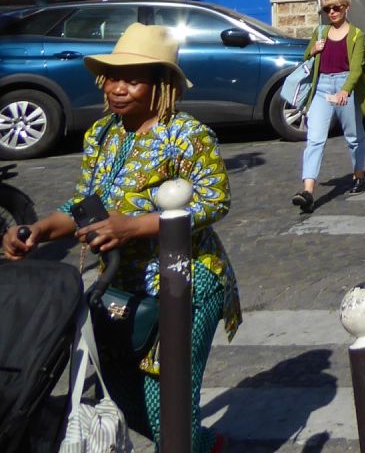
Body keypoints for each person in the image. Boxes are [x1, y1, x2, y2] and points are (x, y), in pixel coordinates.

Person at [2, 23, 241, 452]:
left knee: (167, 405)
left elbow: (214, 201)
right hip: (121, 284)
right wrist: (39, 231)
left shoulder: (187, 135)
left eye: (132, 80)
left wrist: (132, 226)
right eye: (113, 77)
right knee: (121, 398)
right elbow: (84, 205)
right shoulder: (102, 134)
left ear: (161, 85)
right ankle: (207, 445)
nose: (117, 88)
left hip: (186, 281)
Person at [293, 0, 365, 211]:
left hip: (344, 85)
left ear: (346, 8)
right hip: (321, 88)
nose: (331, 12)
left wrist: (345, 91)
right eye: (327, 9)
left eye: (336, 8)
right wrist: (313, 50)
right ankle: (308, 192)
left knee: (353, 136)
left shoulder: (356, 35)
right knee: (314, 139)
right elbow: (306, 57)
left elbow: (357, 68)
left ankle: (359, 176)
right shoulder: (320, 32)